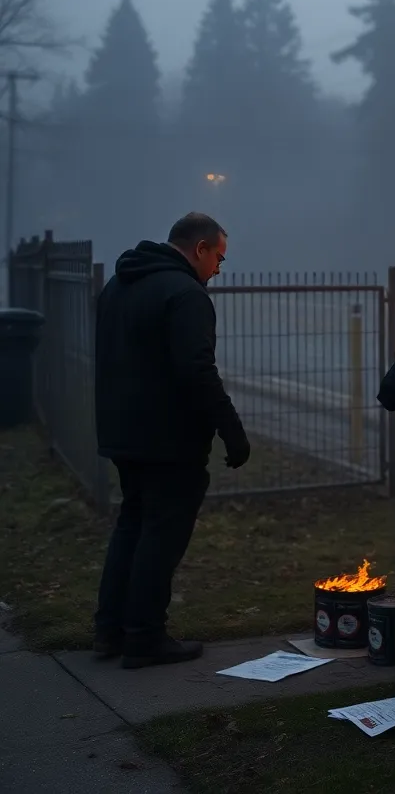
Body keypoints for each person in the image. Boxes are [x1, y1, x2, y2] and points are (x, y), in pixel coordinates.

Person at [93, 212, 251, 669]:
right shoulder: (185, 295)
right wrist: (232, 430)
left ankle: (110, 630)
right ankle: (144, 636)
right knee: (161, 536)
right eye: (218, 258)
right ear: (200, 248)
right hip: (168, 440)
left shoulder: (119, 285)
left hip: (122, 433)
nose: (219, 269)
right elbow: (196, 370)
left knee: (132, 527)